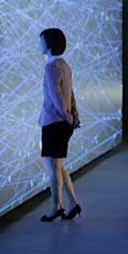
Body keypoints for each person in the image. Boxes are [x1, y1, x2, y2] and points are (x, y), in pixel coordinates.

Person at [37, 28, 82, 222]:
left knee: (53, 166)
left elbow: (57, 97)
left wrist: (67, 116)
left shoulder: (51, 67)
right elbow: (70, 93)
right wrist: (73, 115)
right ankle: (73, 203)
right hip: (63, 122)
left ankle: (57, 207)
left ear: (49, 44)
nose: (39, 44)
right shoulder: (64, 65)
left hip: (54, 122)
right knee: (58, 165)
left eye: (41, 41)